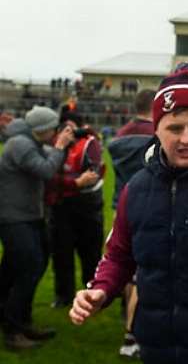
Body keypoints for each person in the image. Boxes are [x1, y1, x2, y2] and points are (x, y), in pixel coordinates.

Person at [69, 69, 188, 363]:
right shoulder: (136, 188)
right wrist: (100, 289)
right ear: (157, 129)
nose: (187, 138)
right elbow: (119, 254)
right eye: (175, 128)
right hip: (153, 344)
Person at [0, 106, 73, 349]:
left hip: (29, 216)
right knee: (29, 268)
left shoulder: (28, 141)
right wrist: (61, 146)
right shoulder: (19, 144)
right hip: (14, 218)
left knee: (18, 269)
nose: (55, 132)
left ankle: (20, 321)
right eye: (54, 128)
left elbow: (46, 156)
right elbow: (45, 170)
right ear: (43, 129)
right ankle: (12, 332)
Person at [107, 88, 156, 358]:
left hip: (119, 205)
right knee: (140, 272)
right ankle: (132, 332)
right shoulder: (156, 135)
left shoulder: (120, 134)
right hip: (146, 205)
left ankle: (128, 315)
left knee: (126, 264)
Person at [49, 115, 105, 308]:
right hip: (61, 206)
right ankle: (63, 296)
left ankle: (92, 294)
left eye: (72, 128)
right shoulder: (54, 145)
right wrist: (74, 181)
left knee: (90, 252)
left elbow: (92, 174)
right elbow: (49, 173)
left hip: (87, 205)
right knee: (61, 254)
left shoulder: (90, 143)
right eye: (64, 128)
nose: (68, 132)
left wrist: (70, 182)